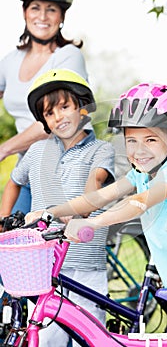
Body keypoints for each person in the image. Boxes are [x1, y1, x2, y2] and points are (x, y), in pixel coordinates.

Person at [26, 83, 167, 347]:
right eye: (131, 140)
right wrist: (50, 211)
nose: (139, 150)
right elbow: (99, 196)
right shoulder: (142, 173)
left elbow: (139, 202)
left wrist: (93, 222)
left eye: (150, 139)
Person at [0, 68, 115, 347]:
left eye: (65, 107)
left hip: (86, 267)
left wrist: (65, 212)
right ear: (45, 121)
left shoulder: (101, 150)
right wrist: (3, 220)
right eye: (50, 113)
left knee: (89, 339)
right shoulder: (37, 151)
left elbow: (95, 186)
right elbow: (14, 182)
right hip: (46, 269)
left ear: (83, 109)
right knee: (45, 337)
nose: (58, 117)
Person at [0, 0, 89, 214]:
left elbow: (55, 121)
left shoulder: (68, 56)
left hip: (67, 165)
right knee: (11, 237)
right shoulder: (10, 61)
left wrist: (4, 148)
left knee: (52, 239)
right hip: (29, 165)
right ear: (24, 12)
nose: (42, 16)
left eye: (51, 10)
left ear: (61, 16)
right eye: (35, 8)